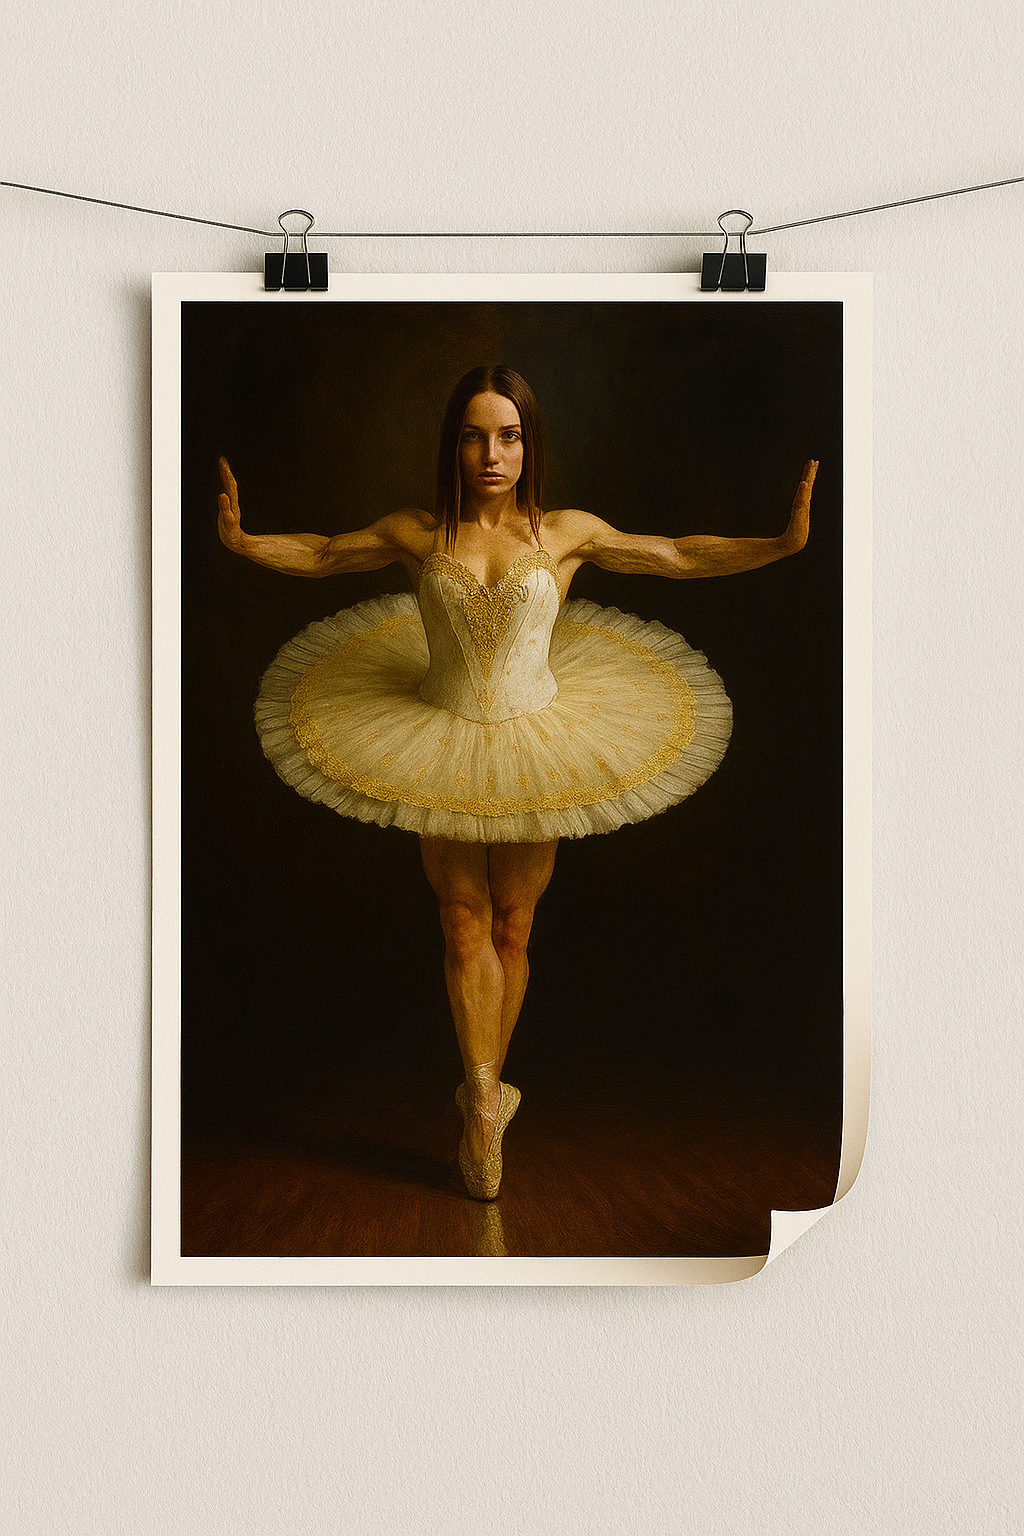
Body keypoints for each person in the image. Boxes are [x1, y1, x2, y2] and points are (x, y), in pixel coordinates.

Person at [217, 364, 817, 1200]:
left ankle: (487, 1085)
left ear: (528, 443)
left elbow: (675, 555)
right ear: (454, 445)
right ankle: (483, 1115)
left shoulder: (565, 533)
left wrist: (779, 544)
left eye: (507, 435)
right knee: (462, 924)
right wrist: (245, 542)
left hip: (541, 735)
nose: (490, 452)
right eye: (473, 435)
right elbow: (322, 553)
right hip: (438, 734)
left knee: (513, 926)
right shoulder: (418, 532)